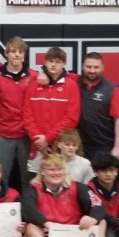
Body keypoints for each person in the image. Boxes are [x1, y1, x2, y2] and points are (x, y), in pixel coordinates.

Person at [21, 154, 105, 237]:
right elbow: (27, 210)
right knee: (31, 227)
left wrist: (92, 218)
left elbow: (98, 205)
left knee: (101, 222)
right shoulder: (32, 190)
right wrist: (46, 224)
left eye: (60, 169)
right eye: (52, 169)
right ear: (42, 171)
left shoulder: (78, 187)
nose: (56, 173)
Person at [0, 37, 37, 190]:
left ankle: (28, 206)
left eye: (20, 52)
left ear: (24, 55)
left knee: (28, 179)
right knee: (0, 178)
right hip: (3, 135)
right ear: (6, 54)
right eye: (13, 51)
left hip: (26, 135)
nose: (17, 55)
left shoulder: (34, 76)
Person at [23, 47, 80, 177]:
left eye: (58, 62)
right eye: (50, 61)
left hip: (60, 147)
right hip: (36, 147)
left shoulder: (71, 86)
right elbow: (27, 115)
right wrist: (39, 140)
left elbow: (71, 118)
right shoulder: (33, 85)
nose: (53, 65)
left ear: (64, 64)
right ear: (45, 62)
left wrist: (47, 139)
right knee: (34, 183)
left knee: (61, 182)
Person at [76, 53, 119, 160]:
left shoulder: (113, 89)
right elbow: (56, 74)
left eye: (96, 67)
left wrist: (118, 146)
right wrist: (43, 74)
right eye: (89, 67)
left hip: (104, 146)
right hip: (78, 146)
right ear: (82, 66)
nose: (92, 70)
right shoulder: (73, 83)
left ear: (102, 67)